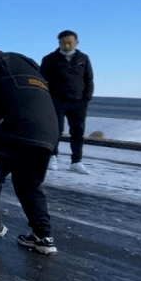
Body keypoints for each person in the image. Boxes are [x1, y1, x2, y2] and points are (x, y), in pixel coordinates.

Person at [0, 49, 60, 255]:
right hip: (47, 137)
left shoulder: (0, 58)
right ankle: (43, 237)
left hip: (17, 129)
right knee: (30, 186)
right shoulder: (35, 73)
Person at [40, 30, 94, 174]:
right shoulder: (50, 59)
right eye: (63, 42)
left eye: (70, 42)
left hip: (78, 103)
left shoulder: (83, 59)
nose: (67, 45)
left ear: (76, 42)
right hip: (56, 101)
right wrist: (47, 98)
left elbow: (89, 80)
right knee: (56, 131)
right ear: (59, 43)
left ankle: (76, 162)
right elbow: (41, 80)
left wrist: (86, 99)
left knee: (78, 132)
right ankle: (53, 157)